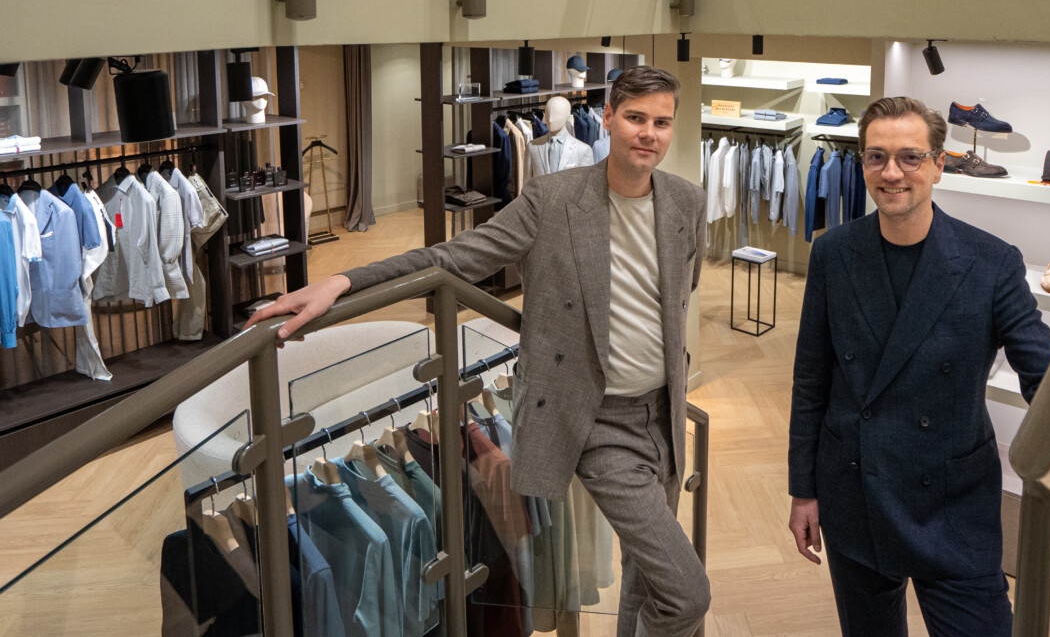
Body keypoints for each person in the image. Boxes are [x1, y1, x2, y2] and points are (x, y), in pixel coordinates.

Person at [246, 65, 710, 637]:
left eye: (661, 122)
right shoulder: (554, 199)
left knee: (650, 578)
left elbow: (678, 299)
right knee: (688, 593)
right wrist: (344, 282)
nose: (649, 134)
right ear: (608, 119)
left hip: (663, 415)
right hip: (597, 422)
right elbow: (454, 257)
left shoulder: (687, 202)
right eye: (636, 118)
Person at [786, 96, 1050, 637]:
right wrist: (804, 488)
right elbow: (812, 379)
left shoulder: (990, 262)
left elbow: (1047, 375)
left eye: (910, 157)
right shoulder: (833, 254)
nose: (892, 173)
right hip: (855, 490)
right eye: (876, 157)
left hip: (952, 504)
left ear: (938, 164)